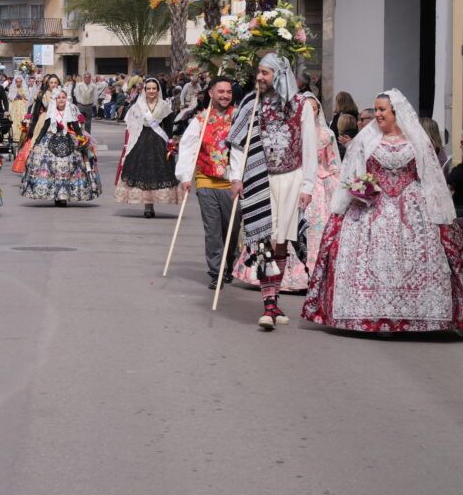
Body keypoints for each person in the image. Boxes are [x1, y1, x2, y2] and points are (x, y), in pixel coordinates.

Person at [302, 89, 463, 333]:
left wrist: (437, 208)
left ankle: (412, 317)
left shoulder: (417, 140)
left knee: (417, 256)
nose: (377, 114)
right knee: (368, 259)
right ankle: (370, 315)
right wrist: (357, 191)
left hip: (411, 207)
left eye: (381, 110)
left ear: (395, 112)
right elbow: (352, 173)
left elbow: (430, 176)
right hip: (371, 207)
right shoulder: (366, 140)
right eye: (375, 110)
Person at [228, 53, 317, 329]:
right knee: (264, 240)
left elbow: (309, 147)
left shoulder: (300, 105)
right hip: (260, 178)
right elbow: (238, 144)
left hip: (292, 178)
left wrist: (308, 185)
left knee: (281, 242)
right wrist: (235, 177)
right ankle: (268, 306)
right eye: (259, 72)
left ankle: (273, 301)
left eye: (265, 73)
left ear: (278, 75)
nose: (259, 77)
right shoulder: (251, 103)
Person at [175, 77, 238, 287]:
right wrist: (185, 177)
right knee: (212, 230)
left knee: (232, 228)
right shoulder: (200, 120)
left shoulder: (239, 118)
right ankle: (215, 272)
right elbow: (188, 148)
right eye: (220, 91)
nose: (225, 95)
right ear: (211, 93)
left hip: (232, 183)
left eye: (228, 91)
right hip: (206, 181)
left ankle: (230, 264)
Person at [21, 89, 101, 206]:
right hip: (52, 139)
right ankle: (54, 194)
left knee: (69, 168)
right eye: (59, 98)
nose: (61, 100)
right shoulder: (51, 112)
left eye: (63, 97)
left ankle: (64, 195)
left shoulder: (70, 111)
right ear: (55, 100)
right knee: (50, 167)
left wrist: (82, 141)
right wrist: (37, 142)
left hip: (68, 140)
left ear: (66, 99)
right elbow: (45, 128)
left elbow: (77, 128)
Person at [115, 77, 179, 218]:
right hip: (141, 142)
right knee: (143, 173)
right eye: (148, 88)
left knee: (156, 173)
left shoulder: (164, 106)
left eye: (154, 89)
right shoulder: (137, 106)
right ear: (144, 90)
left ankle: (153, 201)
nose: (151, 91)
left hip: (159, 143)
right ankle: (147, 206)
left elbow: (168, 128)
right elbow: (130, 127)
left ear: (158, 90)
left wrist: (170, 145)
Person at [13, 74, 61, 173]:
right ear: (47, 83)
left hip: (60, 118)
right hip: (46, 118)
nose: (53, 84)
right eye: (51, 82)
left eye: (55, 82)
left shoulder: (62, 93)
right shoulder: (44, 94)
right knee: (41, 141)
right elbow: (45, 106)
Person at [8, 75, 28, 141]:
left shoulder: (24, 88)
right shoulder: (13, 88)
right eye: (17, 82)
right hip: (15, 105)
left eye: (20, 82)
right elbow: (10, 97)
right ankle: (15, 135)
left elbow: (27, 97)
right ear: (15, 82)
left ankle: (23, 134)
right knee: (15, 119)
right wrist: (15, 96)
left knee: (22, 119)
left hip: (23, 105)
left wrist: (23, 96)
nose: (18, 83)